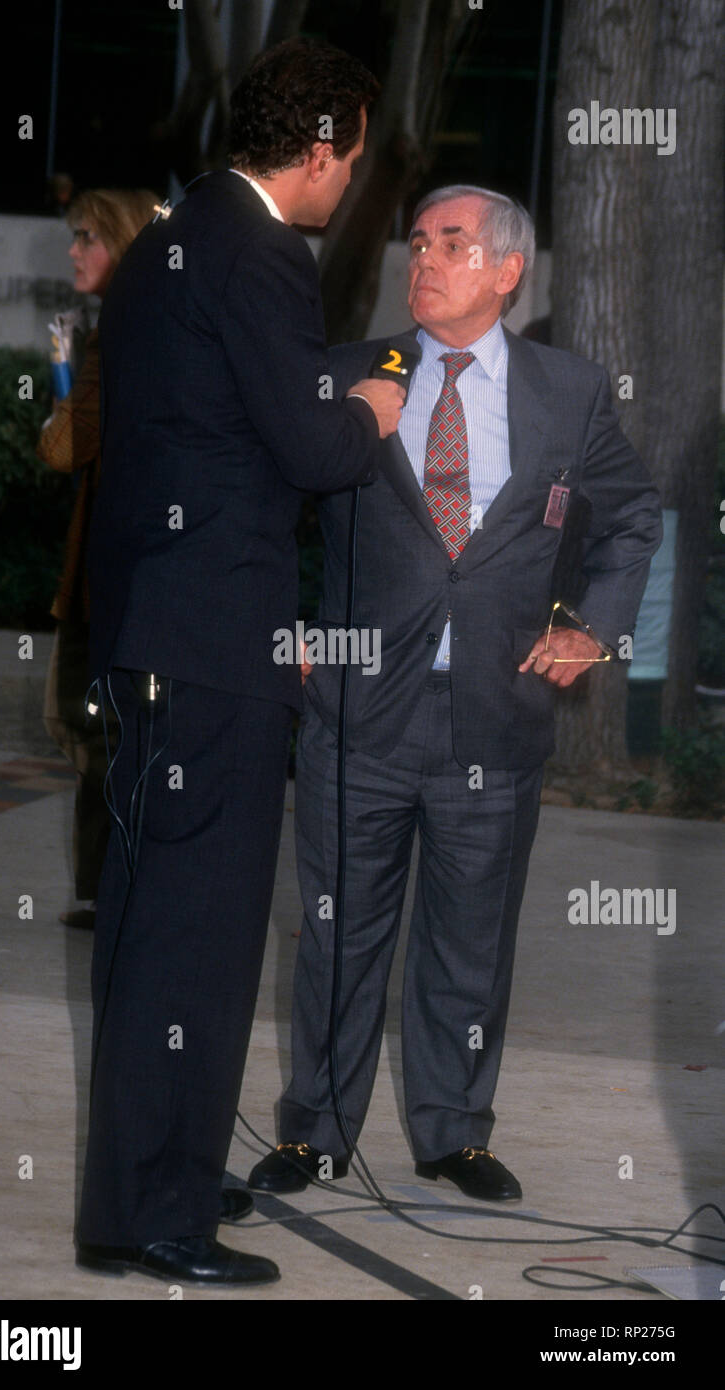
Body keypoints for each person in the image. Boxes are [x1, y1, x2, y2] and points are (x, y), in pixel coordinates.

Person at [248, 184, 662, 1204]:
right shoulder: (349, 376)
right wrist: (280, 631)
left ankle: (452, 1131)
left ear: (508, 272)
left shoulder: (568, 393)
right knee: (341, 934)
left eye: (453, 244)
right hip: (358, 713)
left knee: (470, 942)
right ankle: (314, 1132)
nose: (423, 259)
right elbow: (261, 507)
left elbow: (633, 513)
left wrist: (597, 628)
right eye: (419, 240)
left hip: (496, 713)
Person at [76, 38, 406, 1288]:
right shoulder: (265, 251)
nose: (356, 180)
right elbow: (314, 450)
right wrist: (371, 401)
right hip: (217, 642)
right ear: (318, 150)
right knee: (199, 942)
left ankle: (147, 1170)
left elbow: (219, 413)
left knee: (148, 933)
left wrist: (329, 385)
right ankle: (154, 1219)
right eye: (356, 157)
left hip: (157, 630)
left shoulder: (173, 236)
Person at [38, 188, 160, 931]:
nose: (75, 251)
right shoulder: (157, 327)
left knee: (91, 733)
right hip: (131, 576)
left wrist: (60, 376)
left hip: (111, 583)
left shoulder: (115, 333)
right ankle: (106, 888)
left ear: (123, 242)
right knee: (105, 736)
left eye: (89, 238)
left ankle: (106, 888)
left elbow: (62, 447)